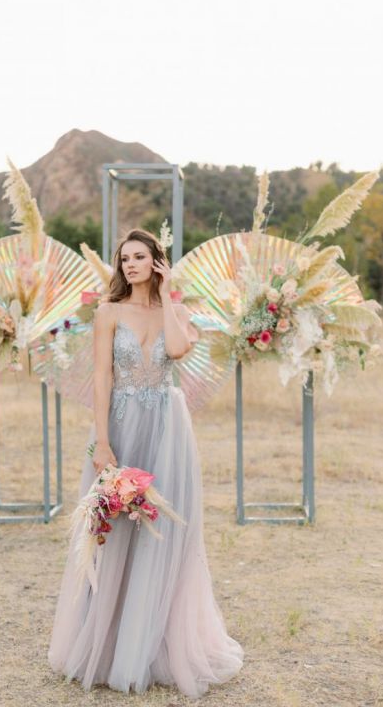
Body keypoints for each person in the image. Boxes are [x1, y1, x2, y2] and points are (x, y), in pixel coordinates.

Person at [47, 228, 244, 698]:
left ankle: (153, 644)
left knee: (164, 531)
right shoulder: (109, 312)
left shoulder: (176, 313)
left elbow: (176, 350)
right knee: (114, 530)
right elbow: (101, 377)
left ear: (156, 262)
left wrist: (169, 291)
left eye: (140, 257)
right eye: (124, 259)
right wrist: (101, 441)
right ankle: (108, 643)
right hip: (121, 425)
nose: (130, 265)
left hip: (167, 430)